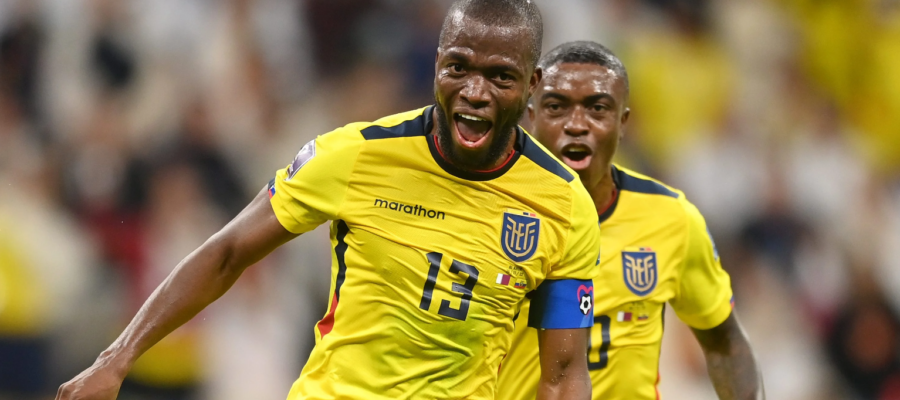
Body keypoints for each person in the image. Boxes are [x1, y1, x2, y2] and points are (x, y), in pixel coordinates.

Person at [56, 2, 602, 400]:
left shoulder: (563, 206)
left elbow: (561, 375)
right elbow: (227, 252)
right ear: (436, 64)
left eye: (500, 76)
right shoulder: (354, 155)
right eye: (458, 67)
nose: (474, 91)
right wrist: (115, 360)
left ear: (532, 87)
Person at [496, 41, 765, 400]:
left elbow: (725, 341)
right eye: (556, 107)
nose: (577, 125)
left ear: (623, 122)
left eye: (597, 109)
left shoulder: (671, 218)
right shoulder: (495, 210)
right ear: (531, 117)